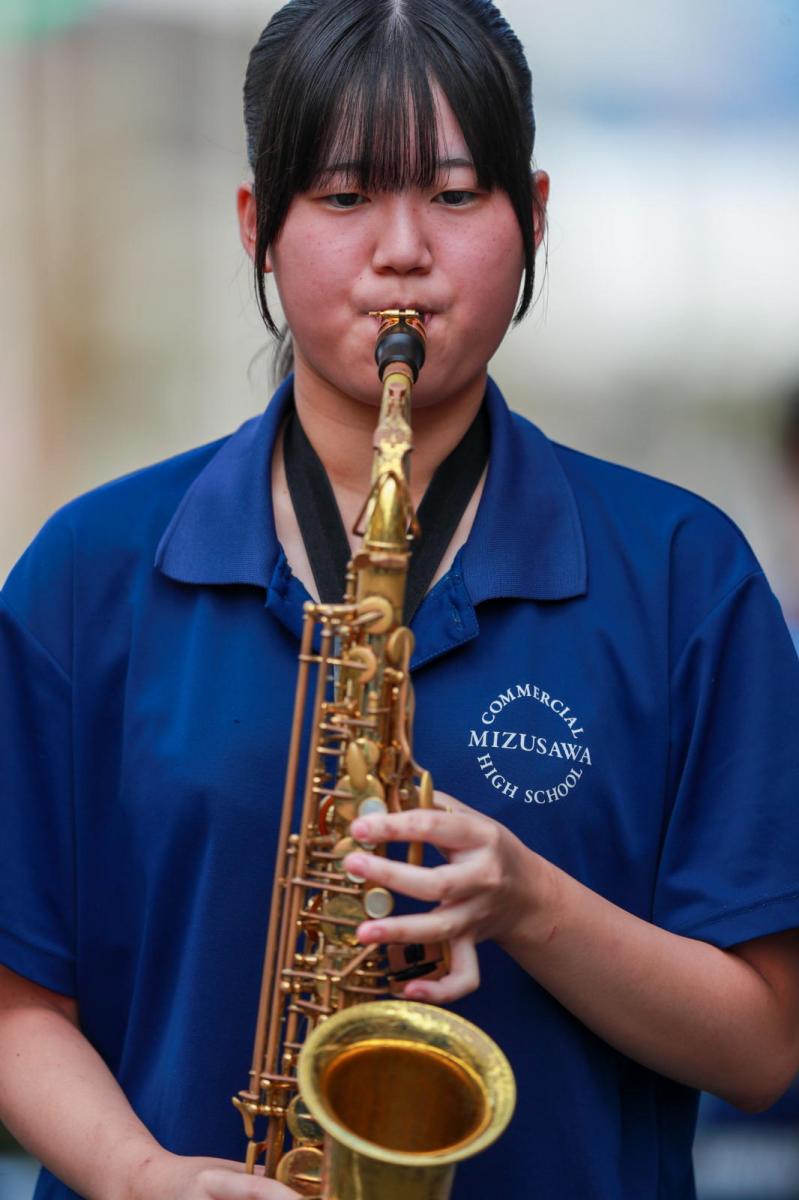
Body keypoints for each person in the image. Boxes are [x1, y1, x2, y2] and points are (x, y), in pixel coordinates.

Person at [1, 2, 798, 1198]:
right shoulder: (85, 572)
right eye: (340, 195)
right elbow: (16, 1003)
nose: (401, 250)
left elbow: (762, 1046)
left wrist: (531, 904)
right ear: (254, 226)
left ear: (532, 217)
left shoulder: (686, 574)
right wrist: (135, 1176)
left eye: (456, 194)